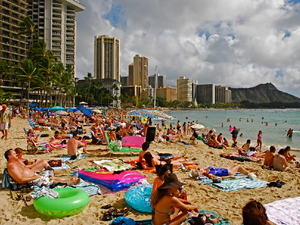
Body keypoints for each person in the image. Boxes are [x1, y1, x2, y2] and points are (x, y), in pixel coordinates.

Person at [5, 149, 80, 186]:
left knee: (51, 177)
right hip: (30, 181)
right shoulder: (12, 167)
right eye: (14, 154)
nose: (16, 155)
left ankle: (70, 179)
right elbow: (20, 180)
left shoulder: (16, 161)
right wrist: (34, 177)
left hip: (33, 176)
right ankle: (70, 183)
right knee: (50, 180)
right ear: (9, 156)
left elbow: (24, 167)